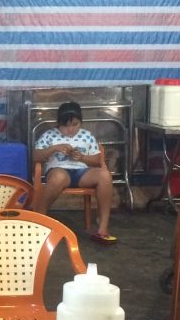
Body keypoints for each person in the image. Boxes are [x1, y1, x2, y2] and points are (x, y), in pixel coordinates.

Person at [32, 101, 117, 245]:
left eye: (75, 124)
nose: (70, 130)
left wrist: (83, 157)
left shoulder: (87, 135)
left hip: (82, 173)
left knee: (105, 175)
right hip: (58, 171)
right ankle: (39, 219)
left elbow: (97, 160)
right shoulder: (49, 135)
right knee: (59, 177)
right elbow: (36, 157)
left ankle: (102, 228)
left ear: (81, 122)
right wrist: (54, 148)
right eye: (65, 126)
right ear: (58, 123)